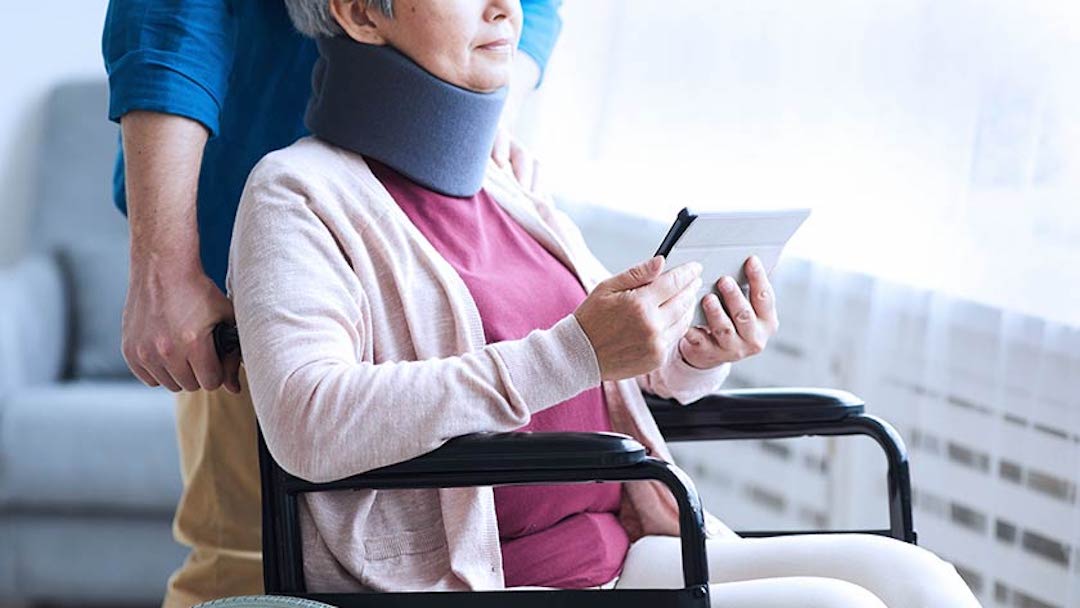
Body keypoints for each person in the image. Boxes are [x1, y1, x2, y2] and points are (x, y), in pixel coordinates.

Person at [227, 1, 985, 606]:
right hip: (482, 581)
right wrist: (575, 352)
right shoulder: (297, 193)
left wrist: (690, 353)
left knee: (918, 580)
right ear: (361, 13)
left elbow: (611, 368)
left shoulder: (507, 183)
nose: (505, 8)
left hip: (623, 547)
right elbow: (306, 422)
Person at [101, 1, 563, 606]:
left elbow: (533, 9)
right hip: (264, 259)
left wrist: (485, 101)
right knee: (253, 562)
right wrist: (163, 265)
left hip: (455, 232)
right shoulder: (286, 198)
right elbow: (172, 16)